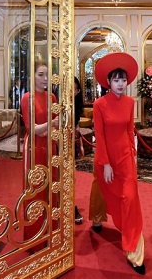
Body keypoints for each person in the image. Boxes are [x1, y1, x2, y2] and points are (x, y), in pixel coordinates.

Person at [92, 52, 146, 275]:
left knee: (130, 199)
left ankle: (135, 253)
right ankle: (96, 217)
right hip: (106, 158)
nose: (121, 84)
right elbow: (100, 135)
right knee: (101, 186)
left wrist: (133, 152)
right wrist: (105, 163)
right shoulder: (99, 104)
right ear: (108, 82)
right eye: (116, 80)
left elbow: (128, 129)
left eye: (123, 79)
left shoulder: (130, 102)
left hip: (126, 159)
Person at [20, 59, 59, 247]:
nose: (45, 79)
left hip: (51, 144)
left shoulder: (52, 97)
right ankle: (35, 237)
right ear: (32, 76)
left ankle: (51, 231)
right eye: (40, 75)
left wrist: (46, 127)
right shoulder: (27, 98)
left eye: (47, 75)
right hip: (34, 147)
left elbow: (52, 124)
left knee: (52, 186)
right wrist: (48, 125)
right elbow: (31, 128)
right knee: (36, 189)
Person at [73, 77, 85, 224]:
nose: (72, 92)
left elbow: (76, 126)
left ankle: (72, 205)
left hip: (70, 143)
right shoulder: (56, 102)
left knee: (72, 177)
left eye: (75, 89)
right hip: (55, 144)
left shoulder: (76, 105)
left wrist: (80, 144)